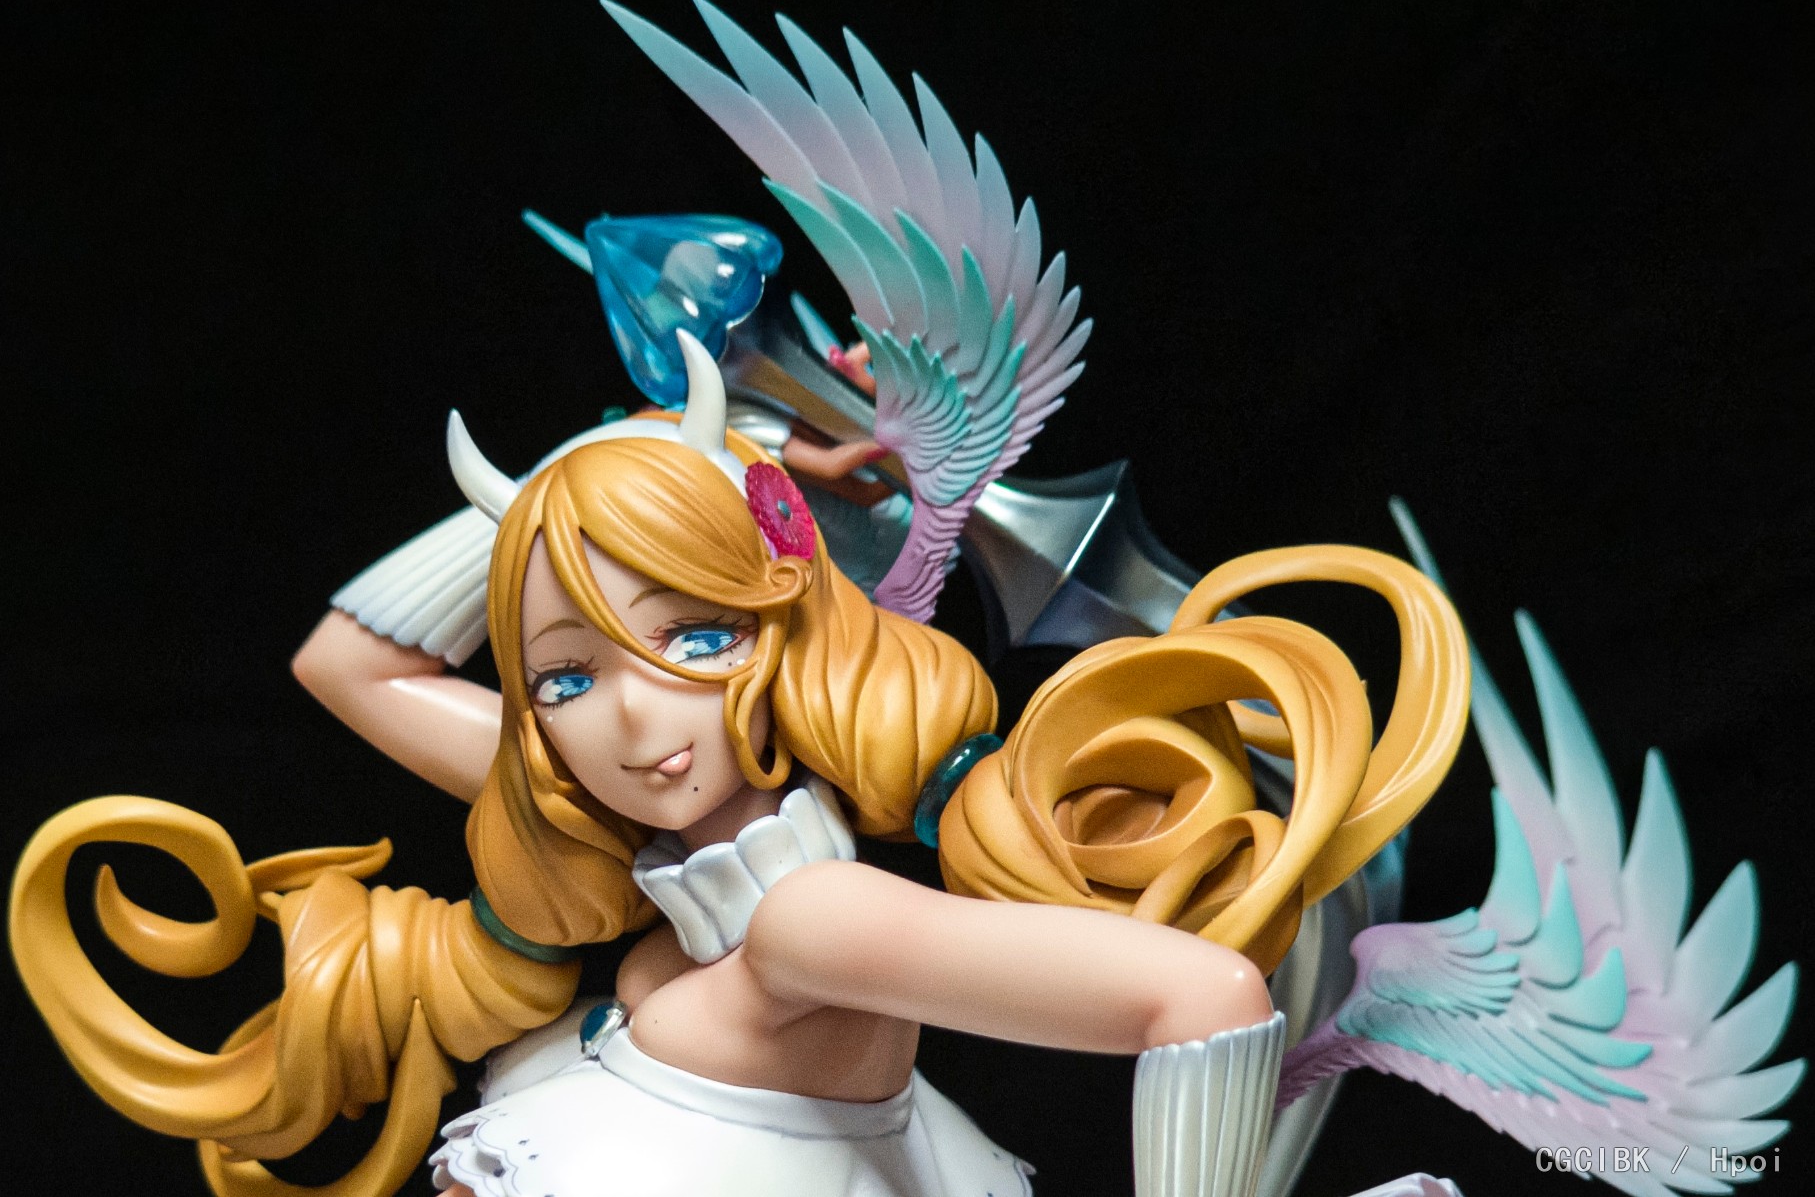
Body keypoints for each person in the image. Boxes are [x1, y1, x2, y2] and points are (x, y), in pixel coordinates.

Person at [11, 335, 1469, 1197]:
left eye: (694, 640)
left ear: (782, 632)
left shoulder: (813, 921)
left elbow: (1201, 997)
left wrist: (716, 461)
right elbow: (349, 665)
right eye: (565, 676)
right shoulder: (612, 834)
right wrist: (647, 463)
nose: (631, 719)